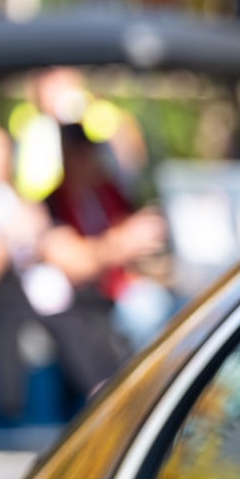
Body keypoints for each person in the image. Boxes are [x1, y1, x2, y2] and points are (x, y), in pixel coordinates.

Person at [0, 119, 127, 420]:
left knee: (90, 310)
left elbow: (52, 249)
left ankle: (108, 391)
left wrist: (42, 235)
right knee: (61, 316)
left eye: (1, 147)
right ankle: (96, 394)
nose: (0, 155)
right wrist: (8, 238)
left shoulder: (14, 200)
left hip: (29, 287)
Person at [45, 121, 173, 351]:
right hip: (88, 301)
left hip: (124, 284)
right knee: (148, 311)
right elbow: (73, 261)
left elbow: (129, 230)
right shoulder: (53, 204)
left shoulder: (107, 191)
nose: (85, 161)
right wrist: (120, 243)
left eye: (88, 153)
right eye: (78, 154)